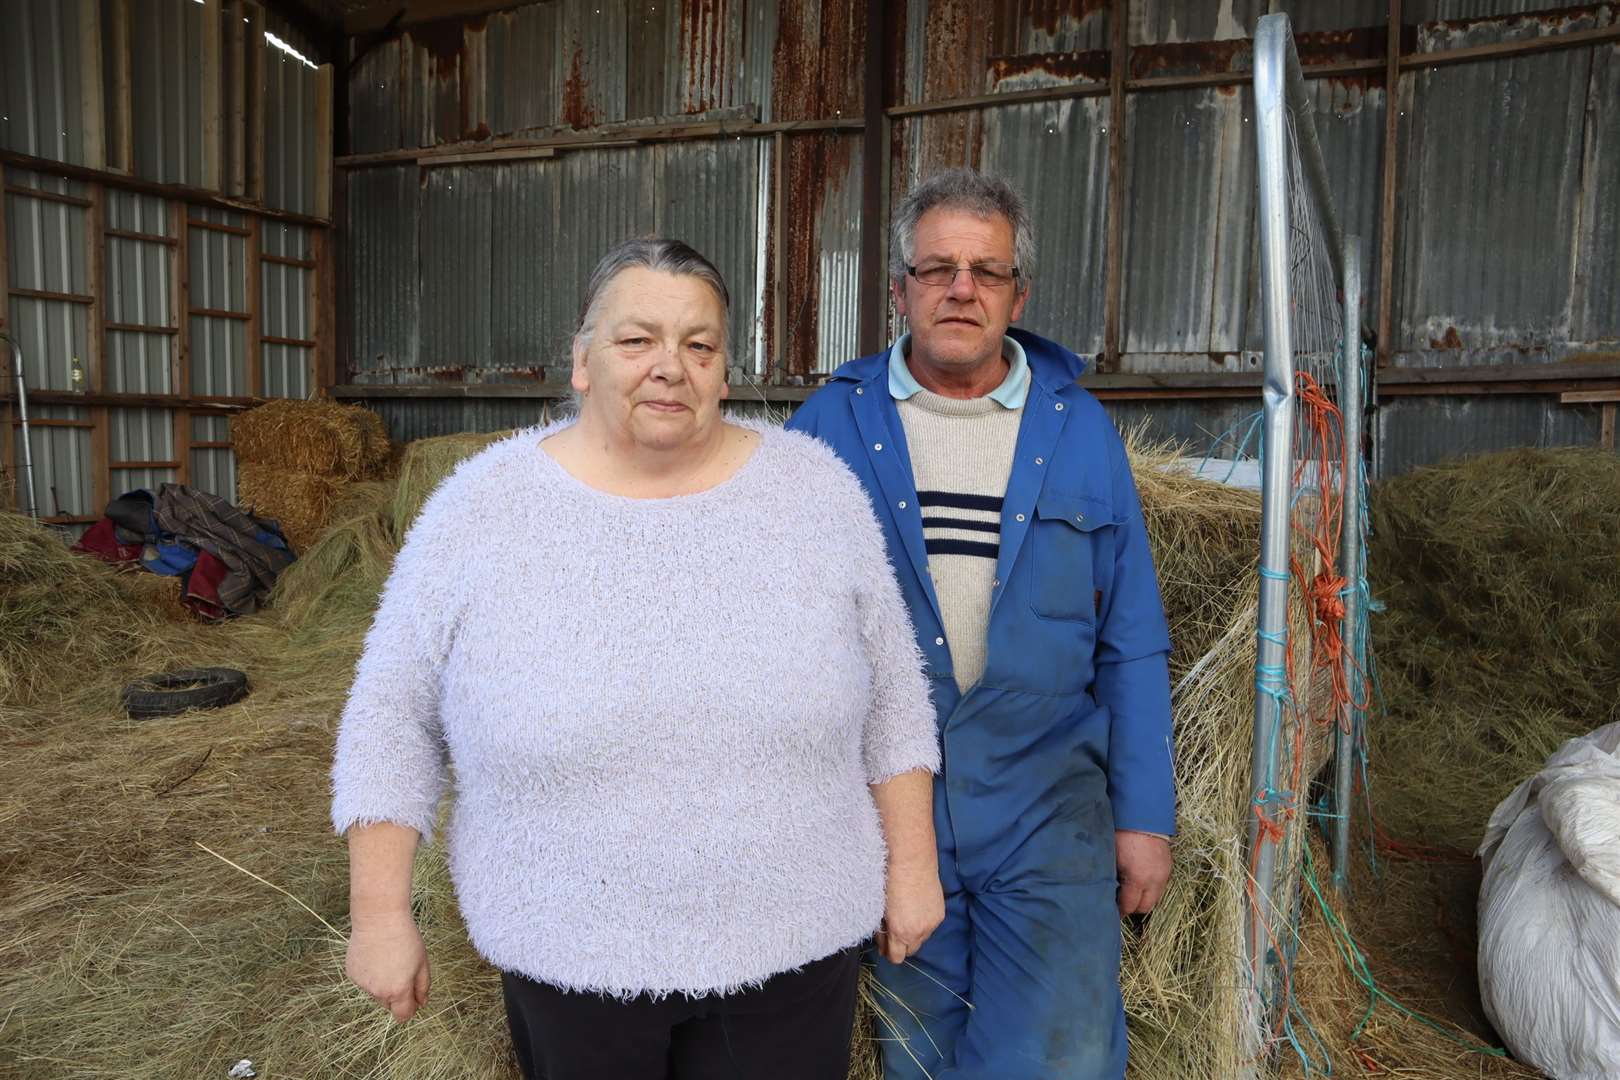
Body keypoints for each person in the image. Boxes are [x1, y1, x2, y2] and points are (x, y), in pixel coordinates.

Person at [331, 237, 945, 1080]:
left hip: (792, 944)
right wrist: (378, 912)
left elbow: (896, 698)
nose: (671, 366)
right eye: (637, 340)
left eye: (700, 345)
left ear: (724, 373)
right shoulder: (481, 510)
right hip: (571, 954)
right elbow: (390, 714)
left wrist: (913, 869)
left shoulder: (817, 496)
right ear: (581, 361)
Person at [786, 168, 1175, 1079]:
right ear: (899, 290)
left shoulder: (1080, 430)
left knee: (1067, 1052)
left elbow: (1131, 639)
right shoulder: (828, 425)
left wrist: (1145, 816)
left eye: (986, 271)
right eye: (937, 269)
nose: (961, 289)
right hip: (888, 806)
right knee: (919, 1047)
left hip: (1047, 802)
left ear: (1018, 293)